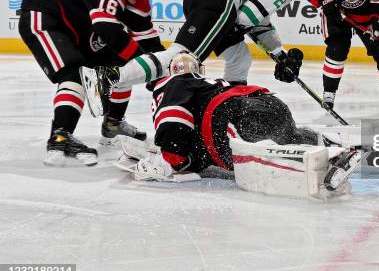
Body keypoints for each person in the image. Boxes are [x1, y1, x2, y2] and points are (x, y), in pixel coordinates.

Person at [91, 0, 308, 112]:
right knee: (181, 57)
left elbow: (260, 23)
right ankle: (113, 77)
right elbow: (245, 18)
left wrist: (281, 55)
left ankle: (231, 103)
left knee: (240, 58)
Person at [130, 52, 360, 198]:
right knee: (289, 135)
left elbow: (173, 119)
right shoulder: (213, 83)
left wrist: (173, 158)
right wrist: (191, 160)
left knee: (260, 154)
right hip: (267, 102)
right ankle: (341, 144)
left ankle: (311, 164)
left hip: (233, 115)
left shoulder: (173, 81)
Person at [18, 0, 163, 166]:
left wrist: (165, 69)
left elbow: (151, 45)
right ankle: (60, 137)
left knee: (123, 65)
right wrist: (151, 71)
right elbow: (110, 33)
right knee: (73, 75)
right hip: (45, 17)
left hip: (77, 32)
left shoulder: (133, 0)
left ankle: (113, 123)